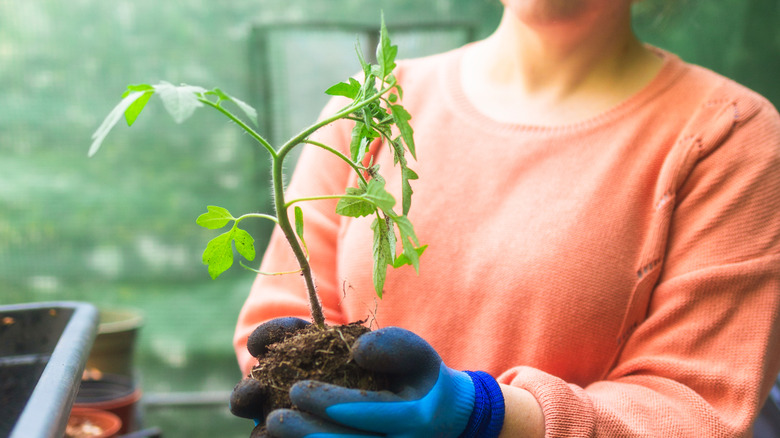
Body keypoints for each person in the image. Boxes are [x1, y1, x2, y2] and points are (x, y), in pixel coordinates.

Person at [234, 0, 780, 436]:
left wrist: (488, 417)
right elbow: (283, 316)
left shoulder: (732, 136)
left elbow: (693, 407)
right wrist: (302, 392)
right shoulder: (374, 106)